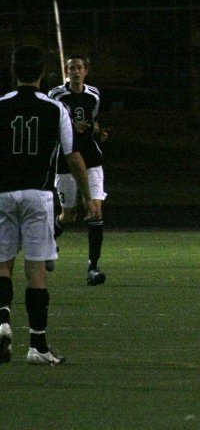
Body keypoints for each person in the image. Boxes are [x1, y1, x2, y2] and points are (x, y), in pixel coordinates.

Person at [0, 45, 99, 365]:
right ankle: (38, 346)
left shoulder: (0, 106)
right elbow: (73, 156)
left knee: (3, 265)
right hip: (39, 196)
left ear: (14, 72)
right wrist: (87, 196)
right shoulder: (55, 108)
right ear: (42, 73)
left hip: (3, 194)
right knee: (36, 270)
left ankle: (2, 323)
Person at [48, 55, 109, 285]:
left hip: (91, 159)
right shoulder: (56, 95)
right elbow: (52, 123)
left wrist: (97, 132)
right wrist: (71, 126)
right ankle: (48, 242)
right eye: (71, 68)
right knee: (69, 215)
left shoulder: (93, 94)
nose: (75, 71)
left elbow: (94, 121)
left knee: (95, 211)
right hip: (66, 161)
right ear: (66, 71)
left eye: (79, 68)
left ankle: (93, 267)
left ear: (85, 71)